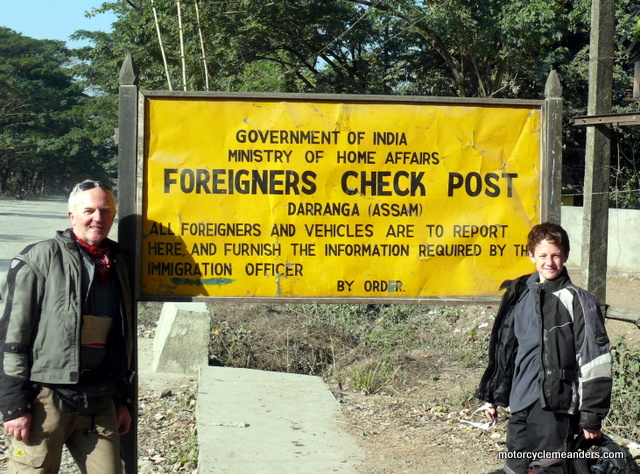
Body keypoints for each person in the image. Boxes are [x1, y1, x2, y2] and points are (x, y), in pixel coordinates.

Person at [0, 180, 134, 473]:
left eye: (105, 211)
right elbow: (12, 336)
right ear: (71, 215)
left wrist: (122, 400)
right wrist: (14, 406)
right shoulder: (38, 259)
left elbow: (121, 340)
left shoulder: (120, 264)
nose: (98, 218)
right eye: (89, 210)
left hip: (100, 399)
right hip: (46, 400)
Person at [476, 222, 613, 474]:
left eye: (556, 255)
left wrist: (591, 416)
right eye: (542, 255)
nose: (549, 262)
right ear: (531, 256)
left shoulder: (580, 301)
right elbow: (505, 350)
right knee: (515, 469)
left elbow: (596, 362)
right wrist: (493, 397)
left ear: (565, 256)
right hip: (520, 403)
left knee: (550, 468)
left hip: (554, 408)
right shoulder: (518, 294)